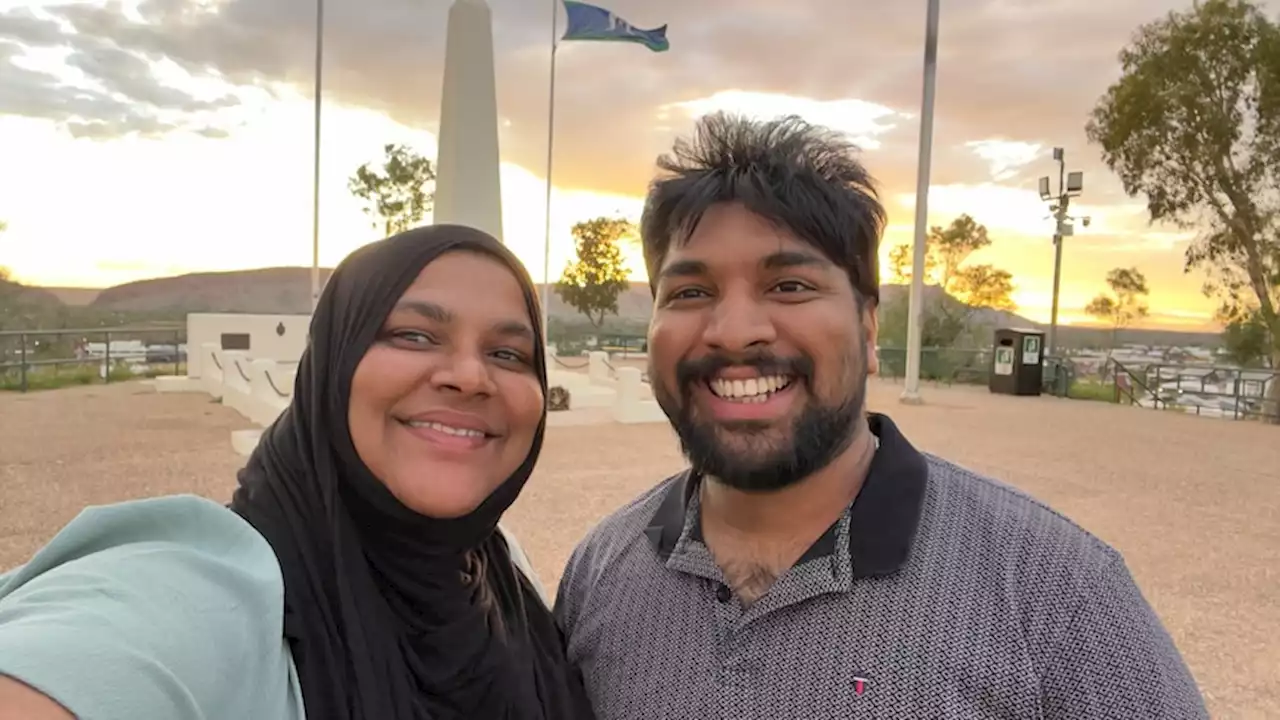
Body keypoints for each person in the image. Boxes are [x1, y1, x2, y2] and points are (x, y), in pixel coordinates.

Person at [554, 113, 1208, 719]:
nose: (735, 331)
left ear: (868, 329)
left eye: (790, 286)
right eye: (691, 292)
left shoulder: (1055, 592)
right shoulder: (601, 574)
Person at [0, 225, 597, 720]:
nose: (470, 376)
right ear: (332, 364)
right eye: (413, 335)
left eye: (508, 354)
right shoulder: (209, 593)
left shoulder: (503, 572)